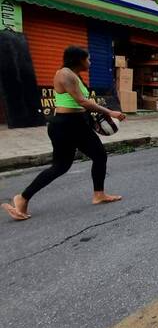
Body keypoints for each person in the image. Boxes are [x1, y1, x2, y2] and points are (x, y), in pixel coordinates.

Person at [1, 46, 125, 221]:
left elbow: (82, 104)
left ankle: (99, 194)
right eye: (87, 59)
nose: (90, 62)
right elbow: (81, 101)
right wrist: (110, 112)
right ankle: (22, 198)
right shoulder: (64, 74)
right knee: (63, 165)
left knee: (94, 157)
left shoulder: (75, 76)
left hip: (76, 124)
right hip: (65, 125)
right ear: (78, 60)